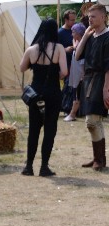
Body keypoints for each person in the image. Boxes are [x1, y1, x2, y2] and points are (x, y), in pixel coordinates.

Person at [19, 18, 68, 177]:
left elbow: (22, 67)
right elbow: (64, 72)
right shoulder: (59, 48)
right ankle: (44, 167)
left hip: (35, 93)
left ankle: (28, 166)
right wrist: (56, 75)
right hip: (53, 92)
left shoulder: (31, 49)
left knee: (34, 130)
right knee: (50, 129)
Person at [74, 3, 109, 170]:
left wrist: (106, 89)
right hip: (89, 79)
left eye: (93, 16)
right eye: (89, 17)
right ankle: (98, 158)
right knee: (92, 121)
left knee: (93, 121)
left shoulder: (108, 37)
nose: (90, 19)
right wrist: (86, 36)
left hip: (101, 79)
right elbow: (77, 55)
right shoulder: (92, 36)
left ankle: (100, 160)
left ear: (103, 17)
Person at [64, 23, 87, 121]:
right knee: (75, 94)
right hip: (75, 73)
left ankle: (72, 114)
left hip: (80, 74)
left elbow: (83, 62)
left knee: (77, 95)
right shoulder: (78, 43)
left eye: (73, 32)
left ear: (78, 33)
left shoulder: (82, 46)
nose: (71, 34)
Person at [58, 9, 77, 114]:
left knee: (72, 87)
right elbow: (55, 49)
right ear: (66, 19)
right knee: (67, 86)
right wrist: (65, 49)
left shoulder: (75, 30)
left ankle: (69, 107)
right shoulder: (59, 33)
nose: (74, 22)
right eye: (72, 20)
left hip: (76, 63)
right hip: (65, 64)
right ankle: (65, 107)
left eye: (75, 19)